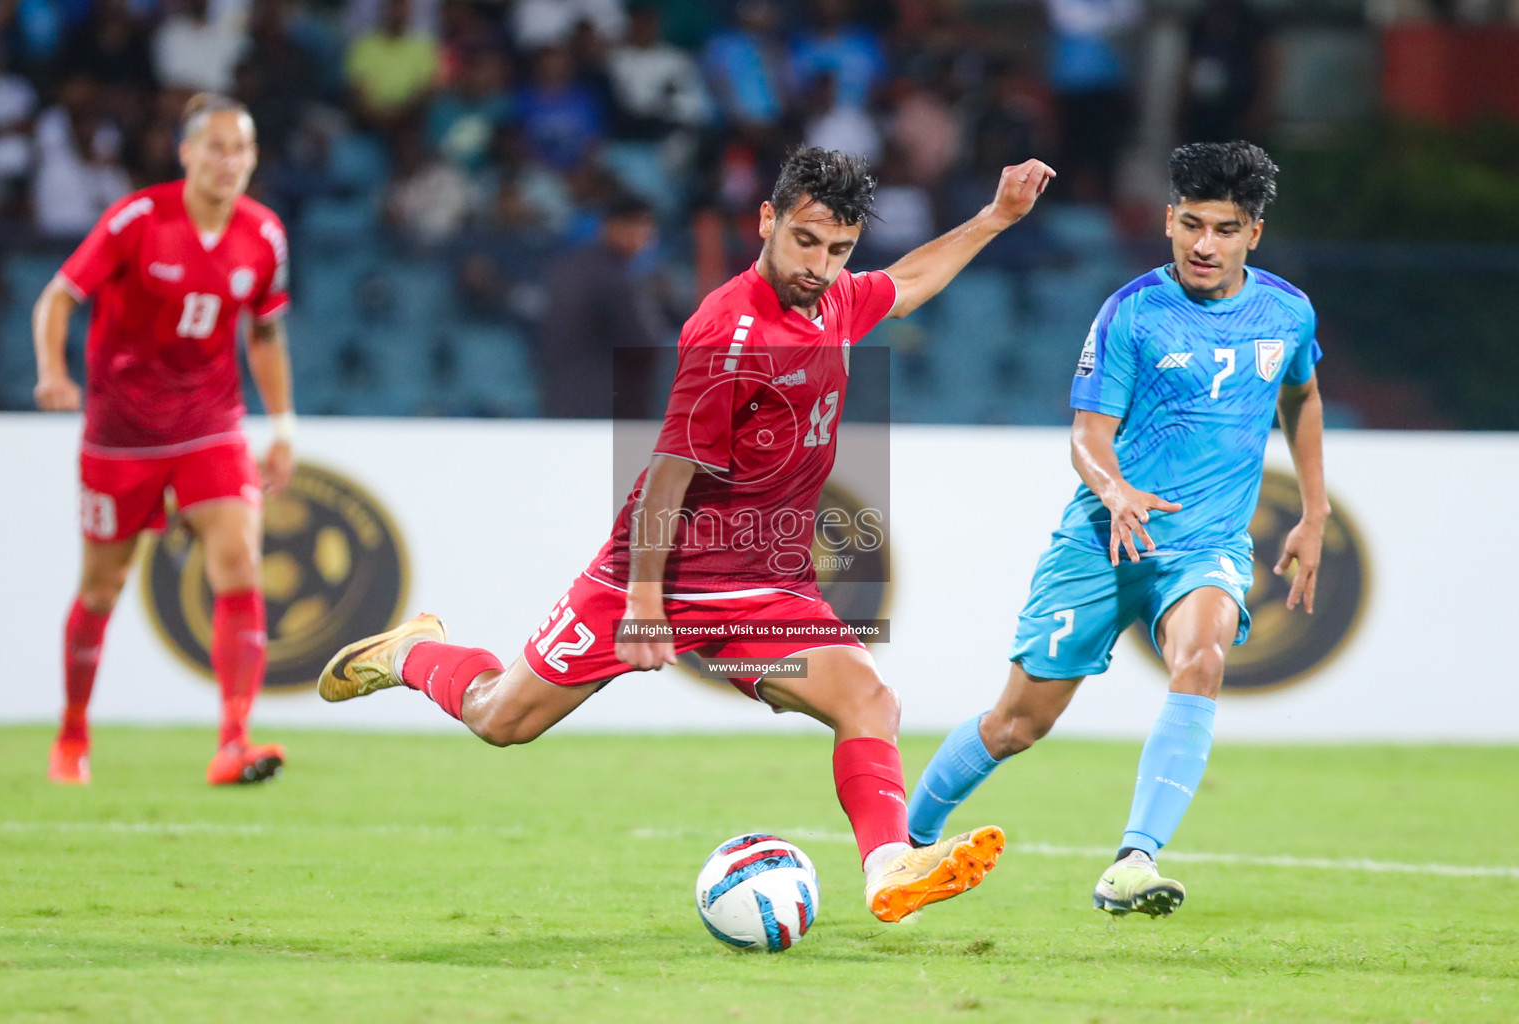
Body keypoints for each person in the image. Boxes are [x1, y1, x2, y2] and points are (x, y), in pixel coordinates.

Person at [320, 145, 1055, 923]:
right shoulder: (729, 332)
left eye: (839, 250)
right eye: (806, 241)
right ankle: (411, 652)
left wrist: (994, 217)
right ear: (767, 220)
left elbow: (905, 285)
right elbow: (667, 477)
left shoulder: (834, 298)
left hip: (765, 583)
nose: (821, 265)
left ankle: (888, 867)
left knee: (869, 700)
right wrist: (643, 603)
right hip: (662, 570)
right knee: (501, 719)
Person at [906, 141, 1328, 918]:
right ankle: (905, 843)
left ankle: (1135, 861)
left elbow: (1302, 396)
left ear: (1253, 235)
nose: (1205, 245)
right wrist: (1117, 490)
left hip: (1204, 544)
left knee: (1201, 660)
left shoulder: (1287, 311)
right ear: (1168, 221)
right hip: (1106, 539)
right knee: (1017, 723)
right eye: (1192, 224)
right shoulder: (1132, 312)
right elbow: (1086, 436)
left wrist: (1313, 509)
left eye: (1226, 229)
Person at [33, 92, 297, 787]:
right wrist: (53, 373)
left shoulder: (264, 234)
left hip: (210, 423)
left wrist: (283, 425)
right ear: (185, 153)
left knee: (239, 560)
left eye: (239, 148)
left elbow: (264, 331)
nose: (227, 160)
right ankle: (72, 735)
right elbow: (58, 297)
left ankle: (234, 741)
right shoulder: (138, 219)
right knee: (102, 586)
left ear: (253, 158)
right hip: (120, 435)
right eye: (214, 146)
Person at [538, 192, 661, 419]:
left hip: (557, 396)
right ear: (612, 226)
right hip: (603, 401)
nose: (645, 237)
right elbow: (642, 343)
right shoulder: (613, 276)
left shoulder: (567, 266)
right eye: (638, 227)